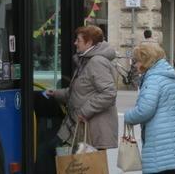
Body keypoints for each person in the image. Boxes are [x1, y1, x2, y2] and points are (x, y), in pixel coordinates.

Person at [39, 26, 118, 173]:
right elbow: (79, 91)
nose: (75, 43)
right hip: (78, 125)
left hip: (91, 128)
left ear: (89, 43)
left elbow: (109, 93)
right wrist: (56, 93)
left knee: (50, 153)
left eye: (78, 40)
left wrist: (84, 112)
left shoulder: (96, 62)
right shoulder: (85, 61)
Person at [124, 43, 175, 174]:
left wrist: (128, 117)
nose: (135, 65)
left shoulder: (153, 79)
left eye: (136, 61)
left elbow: (145, 110)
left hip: (160, 140)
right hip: (173, 138)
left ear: (146, 60)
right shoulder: (169, 76)